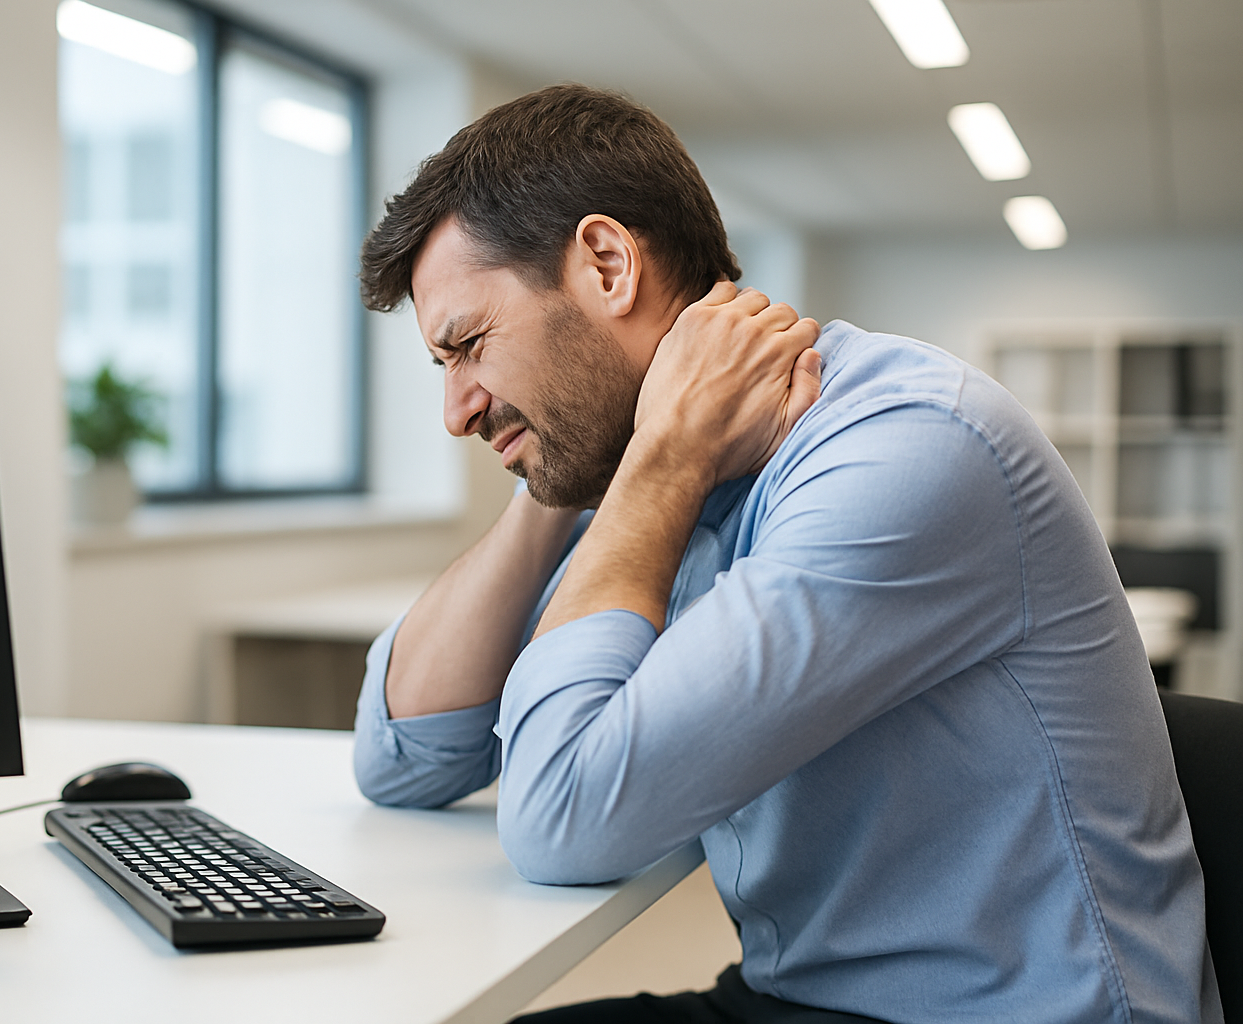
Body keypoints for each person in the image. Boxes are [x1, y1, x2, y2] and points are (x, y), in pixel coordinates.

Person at [351, 85, 1219, 1024]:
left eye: (469, 347)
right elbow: (406, 759)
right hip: (804, 998)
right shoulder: (660, 477)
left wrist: (656, 458)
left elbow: (562, 815)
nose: (457, 411)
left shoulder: (906, 446)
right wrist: (577, 475)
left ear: (606, 266)